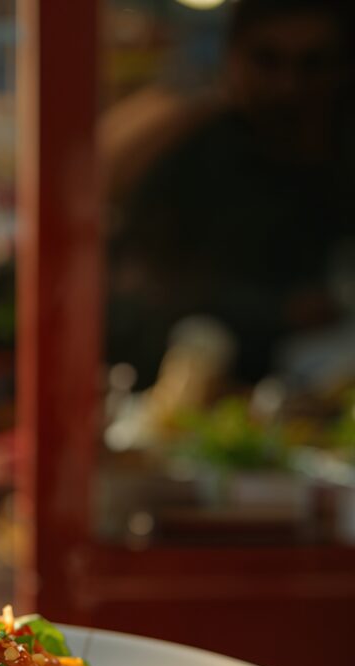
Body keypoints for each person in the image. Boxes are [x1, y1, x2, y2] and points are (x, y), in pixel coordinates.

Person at [105, 0, 355, 389]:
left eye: (313, 64)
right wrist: (278, 312)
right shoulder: (193, 151)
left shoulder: (341, 157)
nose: (289, 86)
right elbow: (138, 291)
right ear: (233, 57)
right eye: (268, 61)